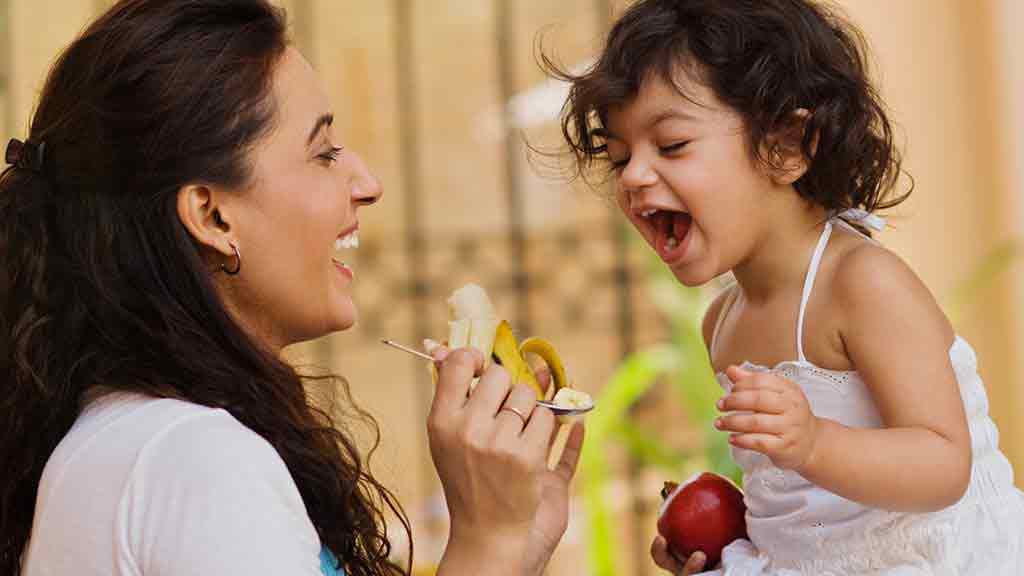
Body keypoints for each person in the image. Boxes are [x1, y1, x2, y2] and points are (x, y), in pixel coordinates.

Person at [0, 1, 584, 575]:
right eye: (323, 153)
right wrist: (486, 541)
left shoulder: (133, 438)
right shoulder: (198, 462)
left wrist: (515, 547)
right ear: (212, 216)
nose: (368, 183)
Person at [548, 0, 1024, 574]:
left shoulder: (861, 283)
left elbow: (944, 465)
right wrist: (727, 536)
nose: (634, 176)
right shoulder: (720, 321)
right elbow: (807, 505)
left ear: (788, 146)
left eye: (671, 145)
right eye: (620, 156)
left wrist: (816, 442)